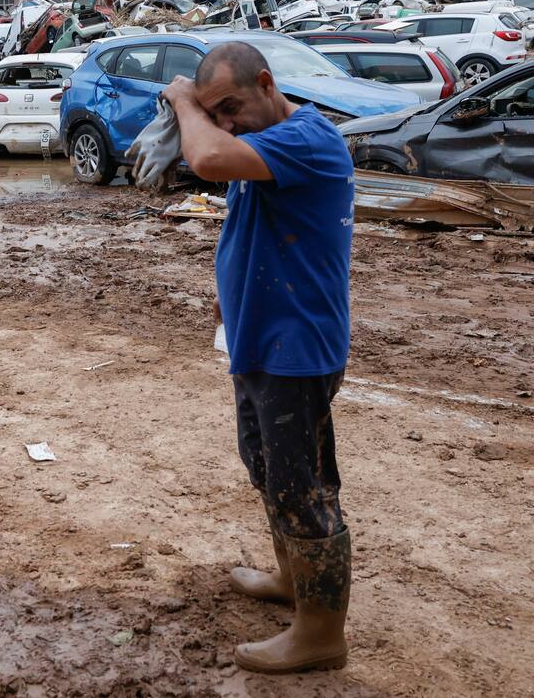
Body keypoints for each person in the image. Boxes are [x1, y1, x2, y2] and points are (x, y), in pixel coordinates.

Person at [161, 41, 354, 675]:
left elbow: (207, 157)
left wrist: (186, 102)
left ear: (267, 83)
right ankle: (290, 576)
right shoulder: (266, 147)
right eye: (216, 113)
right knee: (267, 469)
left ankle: (321, 634)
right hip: (260, 337)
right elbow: (242, 223)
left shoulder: (307, 139)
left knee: (304, 489)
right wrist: (228, 298)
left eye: (231, 107)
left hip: (296, 348)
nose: (225, 123)